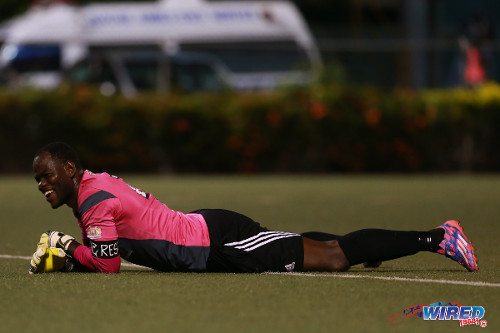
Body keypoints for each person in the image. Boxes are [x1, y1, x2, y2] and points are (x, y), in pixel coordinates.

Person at [29, 142, 478, 274]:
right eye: (38, 181)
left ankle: (438, 237)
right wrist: (71, 252)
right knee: (303, 244)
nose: (44, 185)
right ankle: (374, 248)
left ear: (70, 168)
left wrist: (66, 252)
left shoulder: (92, 201)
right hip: (209, 234)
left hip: (218, 244)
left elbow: (107, 266)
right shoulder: (91, 184)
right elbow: (107, 246)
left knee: (336, 257)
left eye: (48, 176)